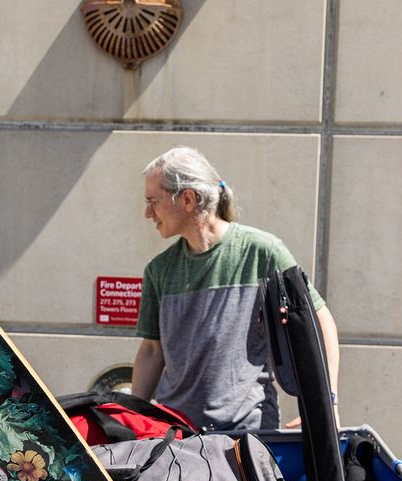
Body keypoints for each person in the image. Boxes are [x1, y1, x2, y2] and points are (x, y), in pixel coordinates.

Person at [131, 146, 340, 432]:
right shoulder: (158, 270)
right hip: (175, 436)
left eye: (153, 201)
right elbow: (152, 351)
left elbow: (319, 318)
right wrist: (128, 418)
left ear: (188, 199)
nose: (147, 213)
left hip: (248, 437)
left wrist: (326, 403)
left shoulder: (263, 253)